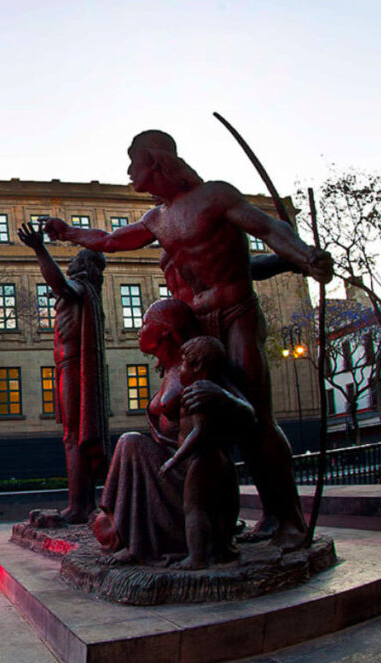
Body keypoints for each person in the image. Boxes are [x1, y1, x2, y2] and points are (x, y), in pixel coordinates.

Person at [44, 130, 332, 550]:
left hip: (236, 314)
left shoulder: (215, 196)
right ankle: (216, 523)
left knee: (254, 416)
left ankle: (285, 518)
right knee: (203, 422)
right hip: (197, 326)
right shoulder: (157, 220)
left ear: (155, 162)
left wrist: (305, 256)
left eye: (133, 162)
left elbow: (268, 227)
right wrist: (69, 233)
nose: (128, 172)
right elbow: (109, 241)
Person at [93, 299, 197, 565]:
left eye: (145, 324)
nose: (139, 331)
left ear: (164, 331)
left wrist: (217, 396)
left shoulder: (192, 370)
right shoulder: (171, 372)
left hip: (186, 474)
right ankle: (120, 523)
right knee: (132, 443)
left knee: (131, 442)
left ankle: (129, 535)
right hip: (168, 468)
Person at [18, 223, 109, 523]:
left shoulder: (79, 288)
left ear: (85, 266)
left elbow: (61, 285)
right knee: (75, 435)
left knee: (73, 436)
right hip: (68, 366)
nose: (70, 261)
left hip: (73, 367)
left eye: (76, 258)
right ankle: (82, 504)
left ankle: (79, 507)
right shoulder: (84, 294)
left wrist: (39, 248)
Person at [159, 336, 252, 569]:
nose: (179, 370)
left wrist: (174, 460)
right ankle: (220, 549)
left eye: (182, 364)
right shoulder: (206, 389)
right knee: (221, 508)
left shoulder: (199, 392)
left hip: (202, 460)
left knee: (195, 509)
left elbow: (198, 433)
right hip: (217, 460)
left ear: (197, 366)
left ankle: (197, 557)